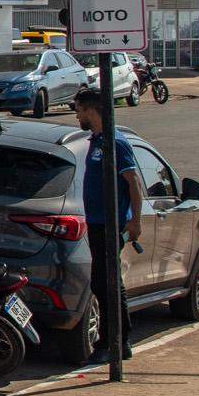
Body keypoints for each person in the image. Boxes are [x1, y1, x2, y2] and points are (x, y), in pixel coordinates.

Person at [73, 87, 143, 361]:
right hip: (97, 222)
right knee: (102, 283)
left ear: (91, 111)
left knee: (108, 283)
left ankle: (114, 342)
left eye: (79, 111)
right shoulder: (97, 140)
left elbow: (134, 182)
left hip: (111, 223)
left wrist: (135, 220)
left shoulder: (115, 142)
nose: (77, 117)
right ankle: (115, 341)